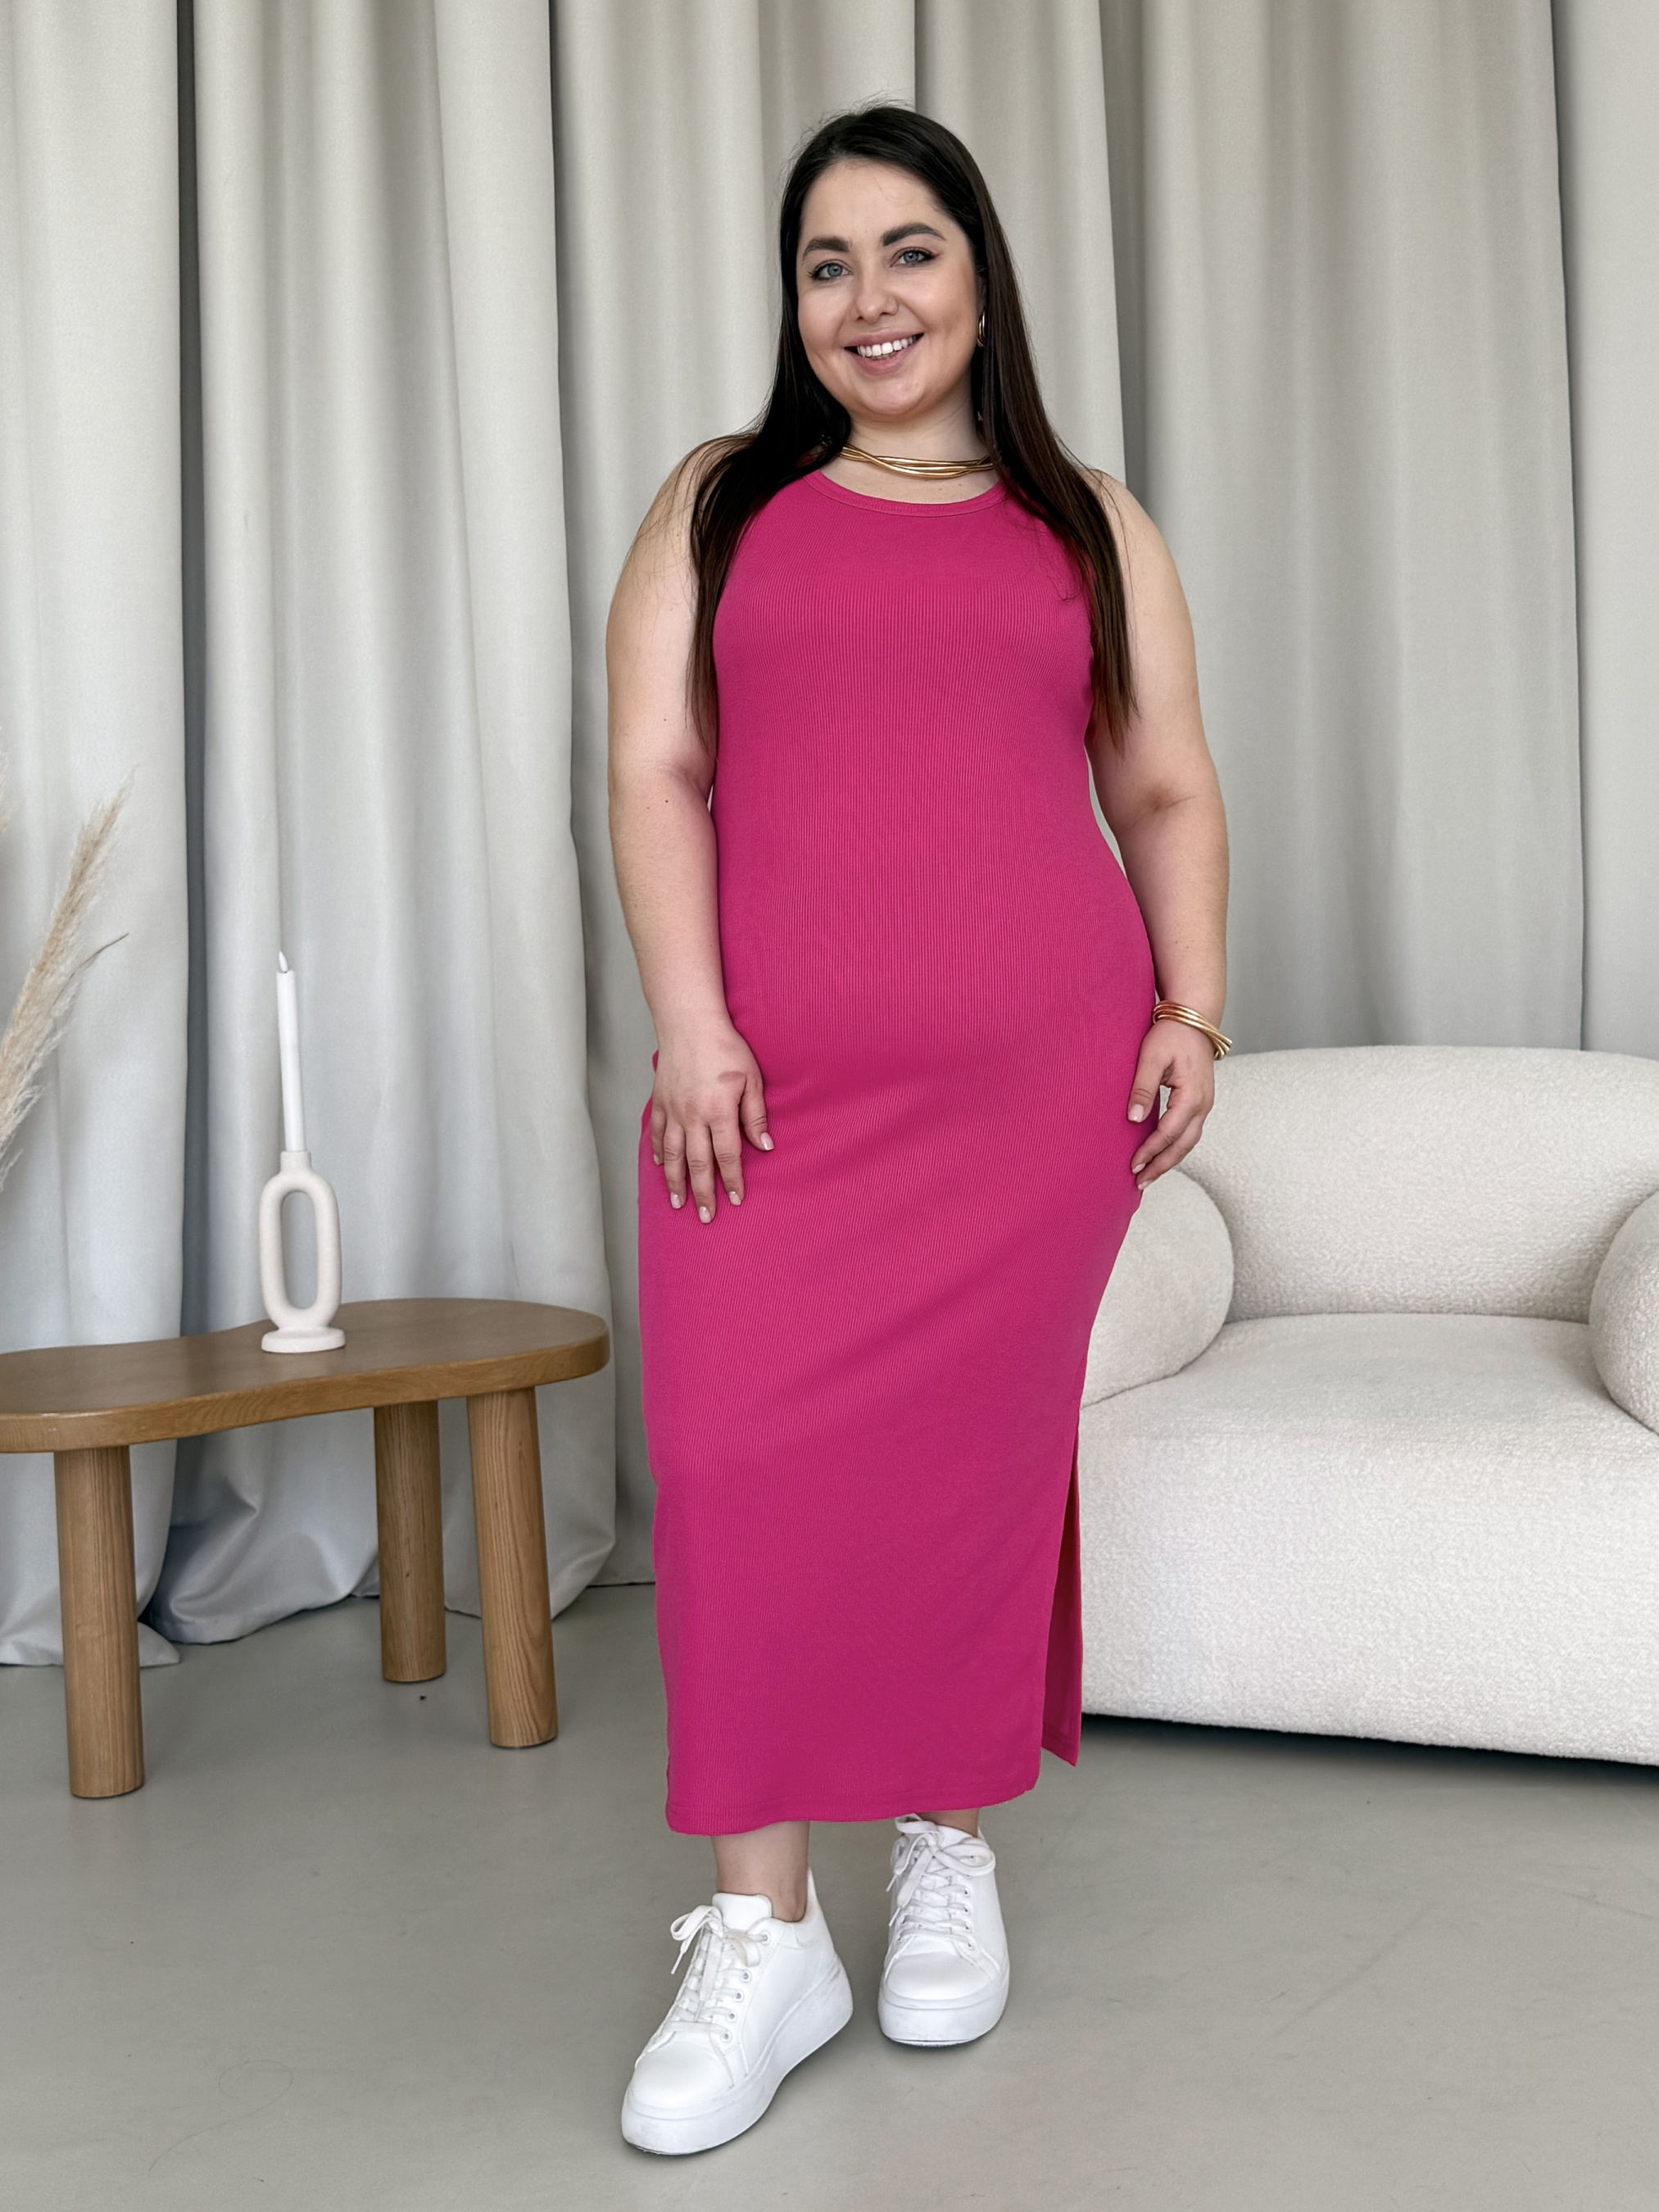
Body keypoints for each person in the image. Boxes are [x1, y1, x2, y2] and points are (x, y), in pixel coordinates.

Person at [606, 102, 1229, 2157]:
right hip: (760, 1099)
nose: (865, 300)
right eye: (825, 263)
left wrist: (1191, 1006)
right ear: (790, 301)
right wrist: (688, 1021)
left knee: (966, 1469)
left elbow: (1163, 788)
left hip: (1024, 1103)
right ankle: (762, 1931)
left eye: (906, 252)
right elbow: (652, 770)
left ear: (977, 276)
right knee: (730, 1467)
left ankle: (944, 1843)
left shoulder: (1086, 524)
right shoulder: (720, 503)